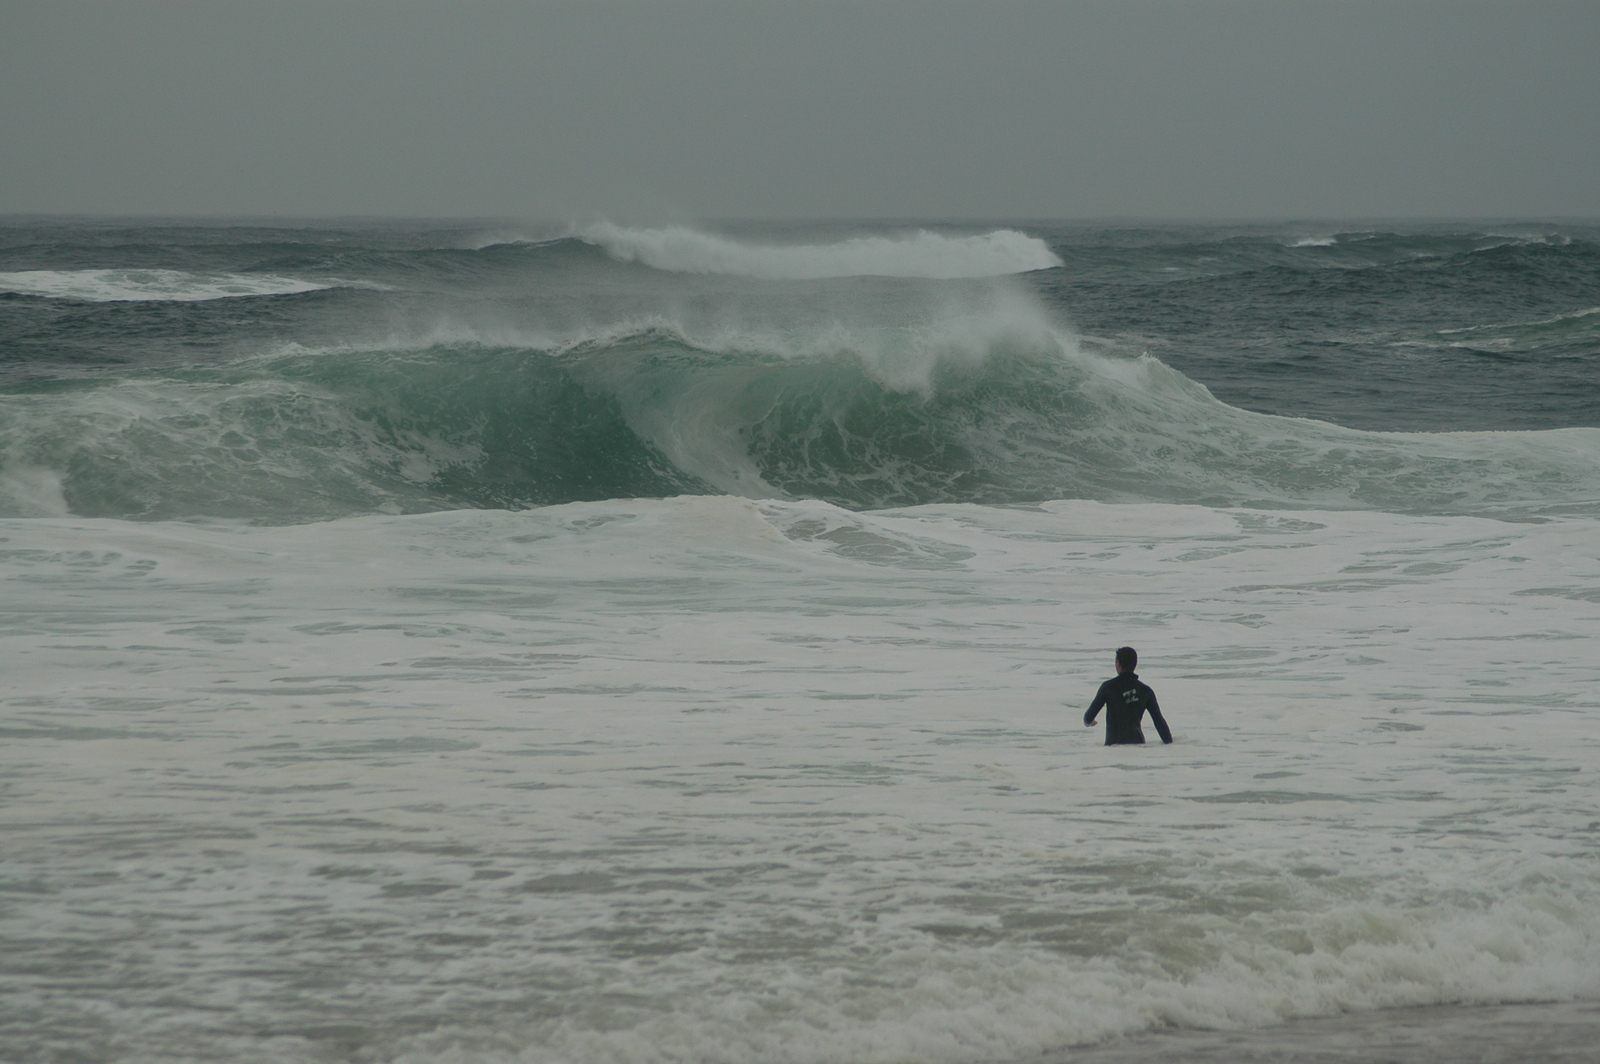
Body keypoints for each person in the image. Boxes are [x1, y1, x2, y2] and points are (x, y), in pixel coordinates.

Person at [1084, 646, 1172, 745]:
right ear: (1135, 664)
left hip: (1114, 747)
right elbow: (1160, 724)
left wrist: (1090, 722)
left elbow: (1088, 717)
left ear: (1118, 663)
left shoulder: (1108, 687)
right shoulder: (1146, 691)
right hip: (1138, 747)